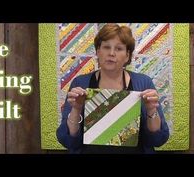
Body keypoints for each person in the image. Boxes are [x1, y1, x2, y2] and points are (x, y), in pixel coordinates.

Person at [56, 23, 169, 153]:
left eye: (119, 48)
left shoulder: (143, 83)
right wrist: (76, 109)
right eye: (106, 47)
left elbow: (158, 140)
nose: (111, 53)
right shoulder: (80, 83)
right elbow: (68, 141)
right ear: (98, 51)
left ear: (127, 55)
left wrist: (151, 110)